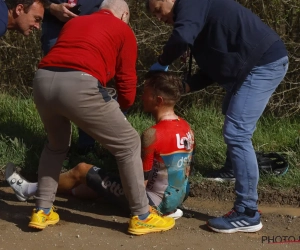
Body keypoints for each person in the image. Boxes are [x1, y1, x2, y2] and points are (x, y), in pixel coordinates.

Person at [24, 0, 175, 235]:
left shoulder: (76, 23)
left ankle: (42, 211)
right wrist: (122, 106)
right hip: (80, 84)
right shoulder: (123, 30)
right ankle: (142, 215)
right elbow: (126, 81)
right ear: (124, 14)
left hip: (42, 80)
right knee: (128, 143)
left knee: (56, 146)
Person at [146, 0, 288, 234]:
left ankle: (247, 212)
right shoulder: (197, 20)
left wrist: (161, 63)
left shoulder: (190, 4)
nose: (159, 18)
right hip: (251, 65)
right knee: (230, 112)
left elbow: (181, 38)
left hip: (263, 63)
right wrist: (184, 86)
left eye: (158, 11)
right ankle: (233, 169)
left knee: (237, 132)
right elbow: (212, 70)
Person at [6, 71, 195, 220]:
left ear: (158, 100)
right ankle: (66, 190)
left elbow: (140, 181)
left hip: (152, 203)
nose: (141, 96)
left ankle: (28, 190)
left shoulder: (153, 134)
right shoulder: (187, 128)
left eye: (145, 92)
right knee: (89, 187)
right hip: (174, 199)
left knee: (82, 170)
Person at [42, 0, 105, 154]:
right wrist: (52, 7)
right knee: (56, 83)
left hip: (92, 25)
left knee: (89, 84)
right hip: (55, 26)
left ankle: (87, 146)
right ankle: (58, 147)